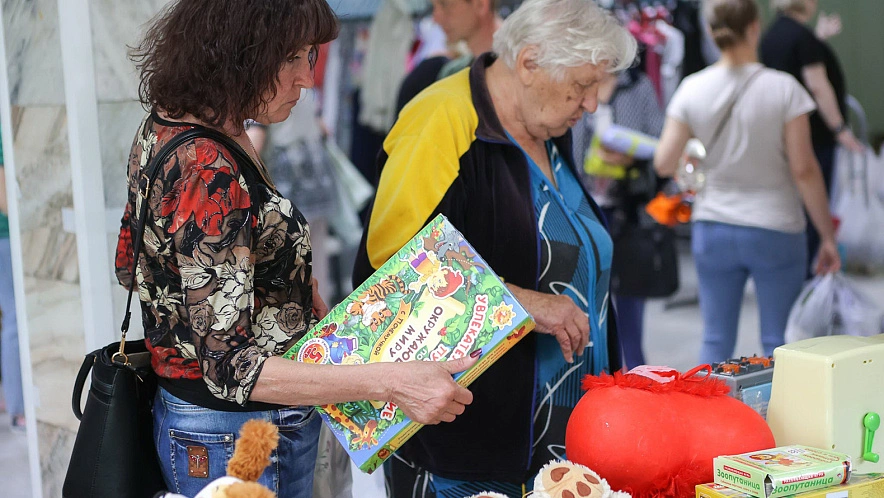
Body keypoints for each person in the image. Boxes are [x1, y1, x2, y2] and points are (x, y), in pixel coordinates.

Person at [116, 2, 480, 496]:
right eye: (290, 58)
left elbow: (131, 264)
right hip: (238, 436)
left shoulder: (178, 126)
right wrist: (391, 381)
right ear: (239, 53)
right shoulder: (206, 165)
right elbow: (231, 367)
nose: (306, 79)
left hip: (230, 423)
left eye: (309, 56)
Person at [352, 0, 636, 495]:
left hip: (562, 437)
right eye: (582, 85)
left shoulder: (545, 126)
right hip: (467, 449)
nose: (591, 103)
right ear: (528, 63)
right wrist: (524, 301)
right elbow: (390, 269)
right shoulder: (440, 120)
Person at [653, 0, 841, 366]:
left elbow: (663, 162)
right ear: (755, 27)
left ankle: (709, 420)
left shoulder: (692, 88)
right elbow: (804, 170)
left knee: (714, 338)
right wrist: (828, 237)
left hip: (713, 226)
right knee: (777, 342)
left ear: (710, 32)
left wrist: (694, 157)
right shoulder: (785, 89)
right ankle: (774, 422)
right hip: (776, 228)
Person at [571, 66, 664, 370]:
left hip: (627, 208)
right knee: (588, 301)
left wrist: (632, 156)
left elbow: (661, 142)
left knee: (630, 303)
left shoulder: (638, 85)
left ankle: (636, 377)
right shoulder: (573, 80)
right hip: (581, 206)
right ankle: (600, 378)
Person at [759, 0, 862, 275]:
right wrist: (840, 129)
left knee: (793, 208)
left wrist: (819, 37)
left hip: (781, 137)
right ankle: (809, 275)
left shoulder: (772, 35)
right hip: (813, 137)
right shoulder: (803, 38)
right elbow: (817, 85)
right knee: (813, 208)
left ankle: (794, 272)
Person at [394, 0, 503, 115]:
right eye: (434, 7)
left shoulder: (516, 69)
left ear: (480, 4)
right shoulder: (453, 72)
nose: (436, 19)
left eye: (445, 5)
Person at [0, 162, 25, 431]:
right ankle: (19, 409)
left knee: (12, 320)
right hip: (6, 236)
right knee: (15, 320)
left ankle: (13, 399)